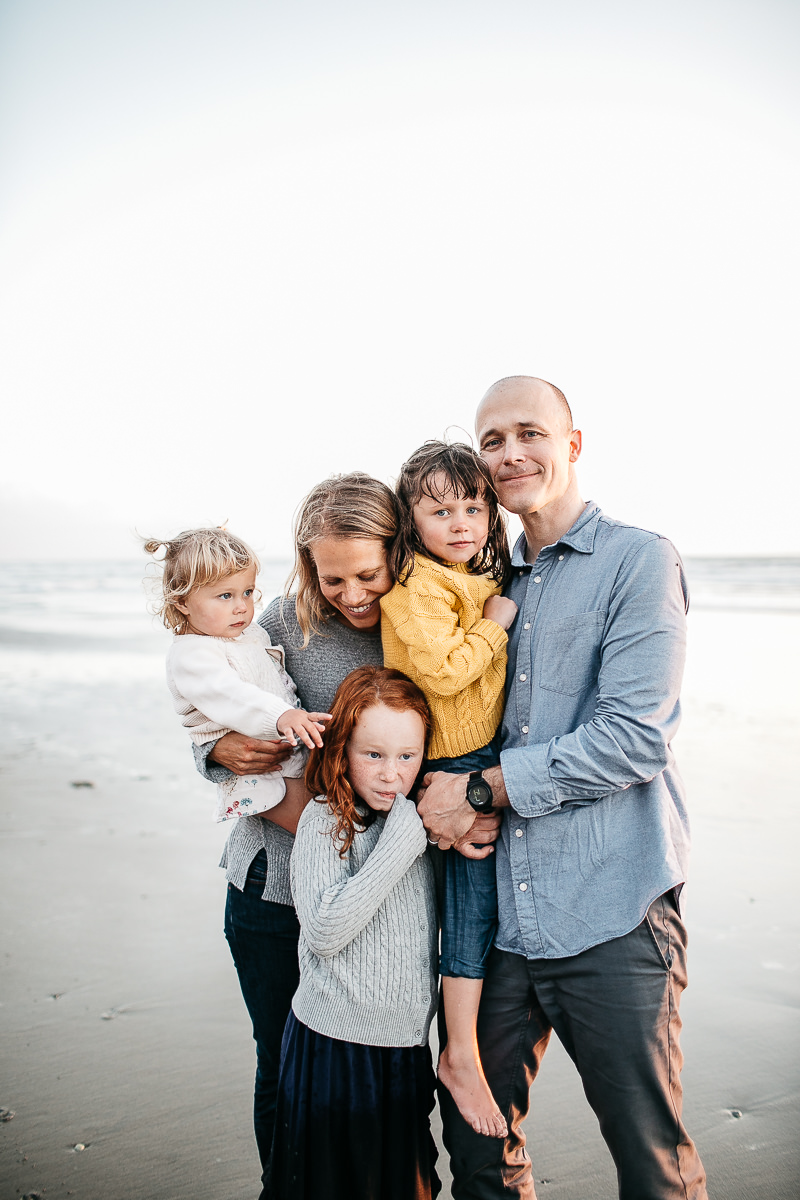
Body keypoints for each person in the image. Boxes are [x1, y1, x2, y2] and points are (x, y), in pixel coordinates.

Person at [418, 376, 708, 1199]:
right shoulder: (479, 579)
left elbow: (635, 737)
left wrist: (477, 793)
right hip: (499, 923)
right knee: (478, 1154)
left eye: (528, 433)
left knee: (651, 1163)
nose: (510, 455)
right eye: (492, 441)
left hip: (613, 908)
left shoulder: (637, 559)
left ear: (571, 443)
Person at [380, 441, 516, 1139]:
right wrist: (496, 625)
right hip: (454, 755)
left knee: (472, 908)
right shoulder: (417, 588)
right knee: (467, 911)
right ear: (412, 520)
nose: (461, 522)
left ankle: (454, 1044)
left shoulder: (473, 570)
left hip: (478, 751)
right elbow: (441, 671)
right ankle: (458, 1055)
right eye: (440, 511)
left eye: (474, 506)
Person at [269, 666, 441, 1200]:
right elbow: (323, 929)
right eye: (373, 755)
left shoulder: (421, 822)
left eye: (406, 757)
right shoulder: (326, 822)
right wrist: (401, 841)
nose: (391, 774)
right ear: (342, 749)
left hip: (404, 1046)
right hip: (332, 1045)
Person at [145, 527, 330, 823]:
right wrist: (282, 716)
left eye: (247, 592)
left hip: (284, 748)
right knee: (315, 830)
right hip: (259, 773)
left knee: (330, 821)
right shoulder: (192, 655)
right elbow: (231, 696)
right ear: (181, 602)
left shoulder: (248, 633)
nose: (241, 606)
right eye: (225, 596)